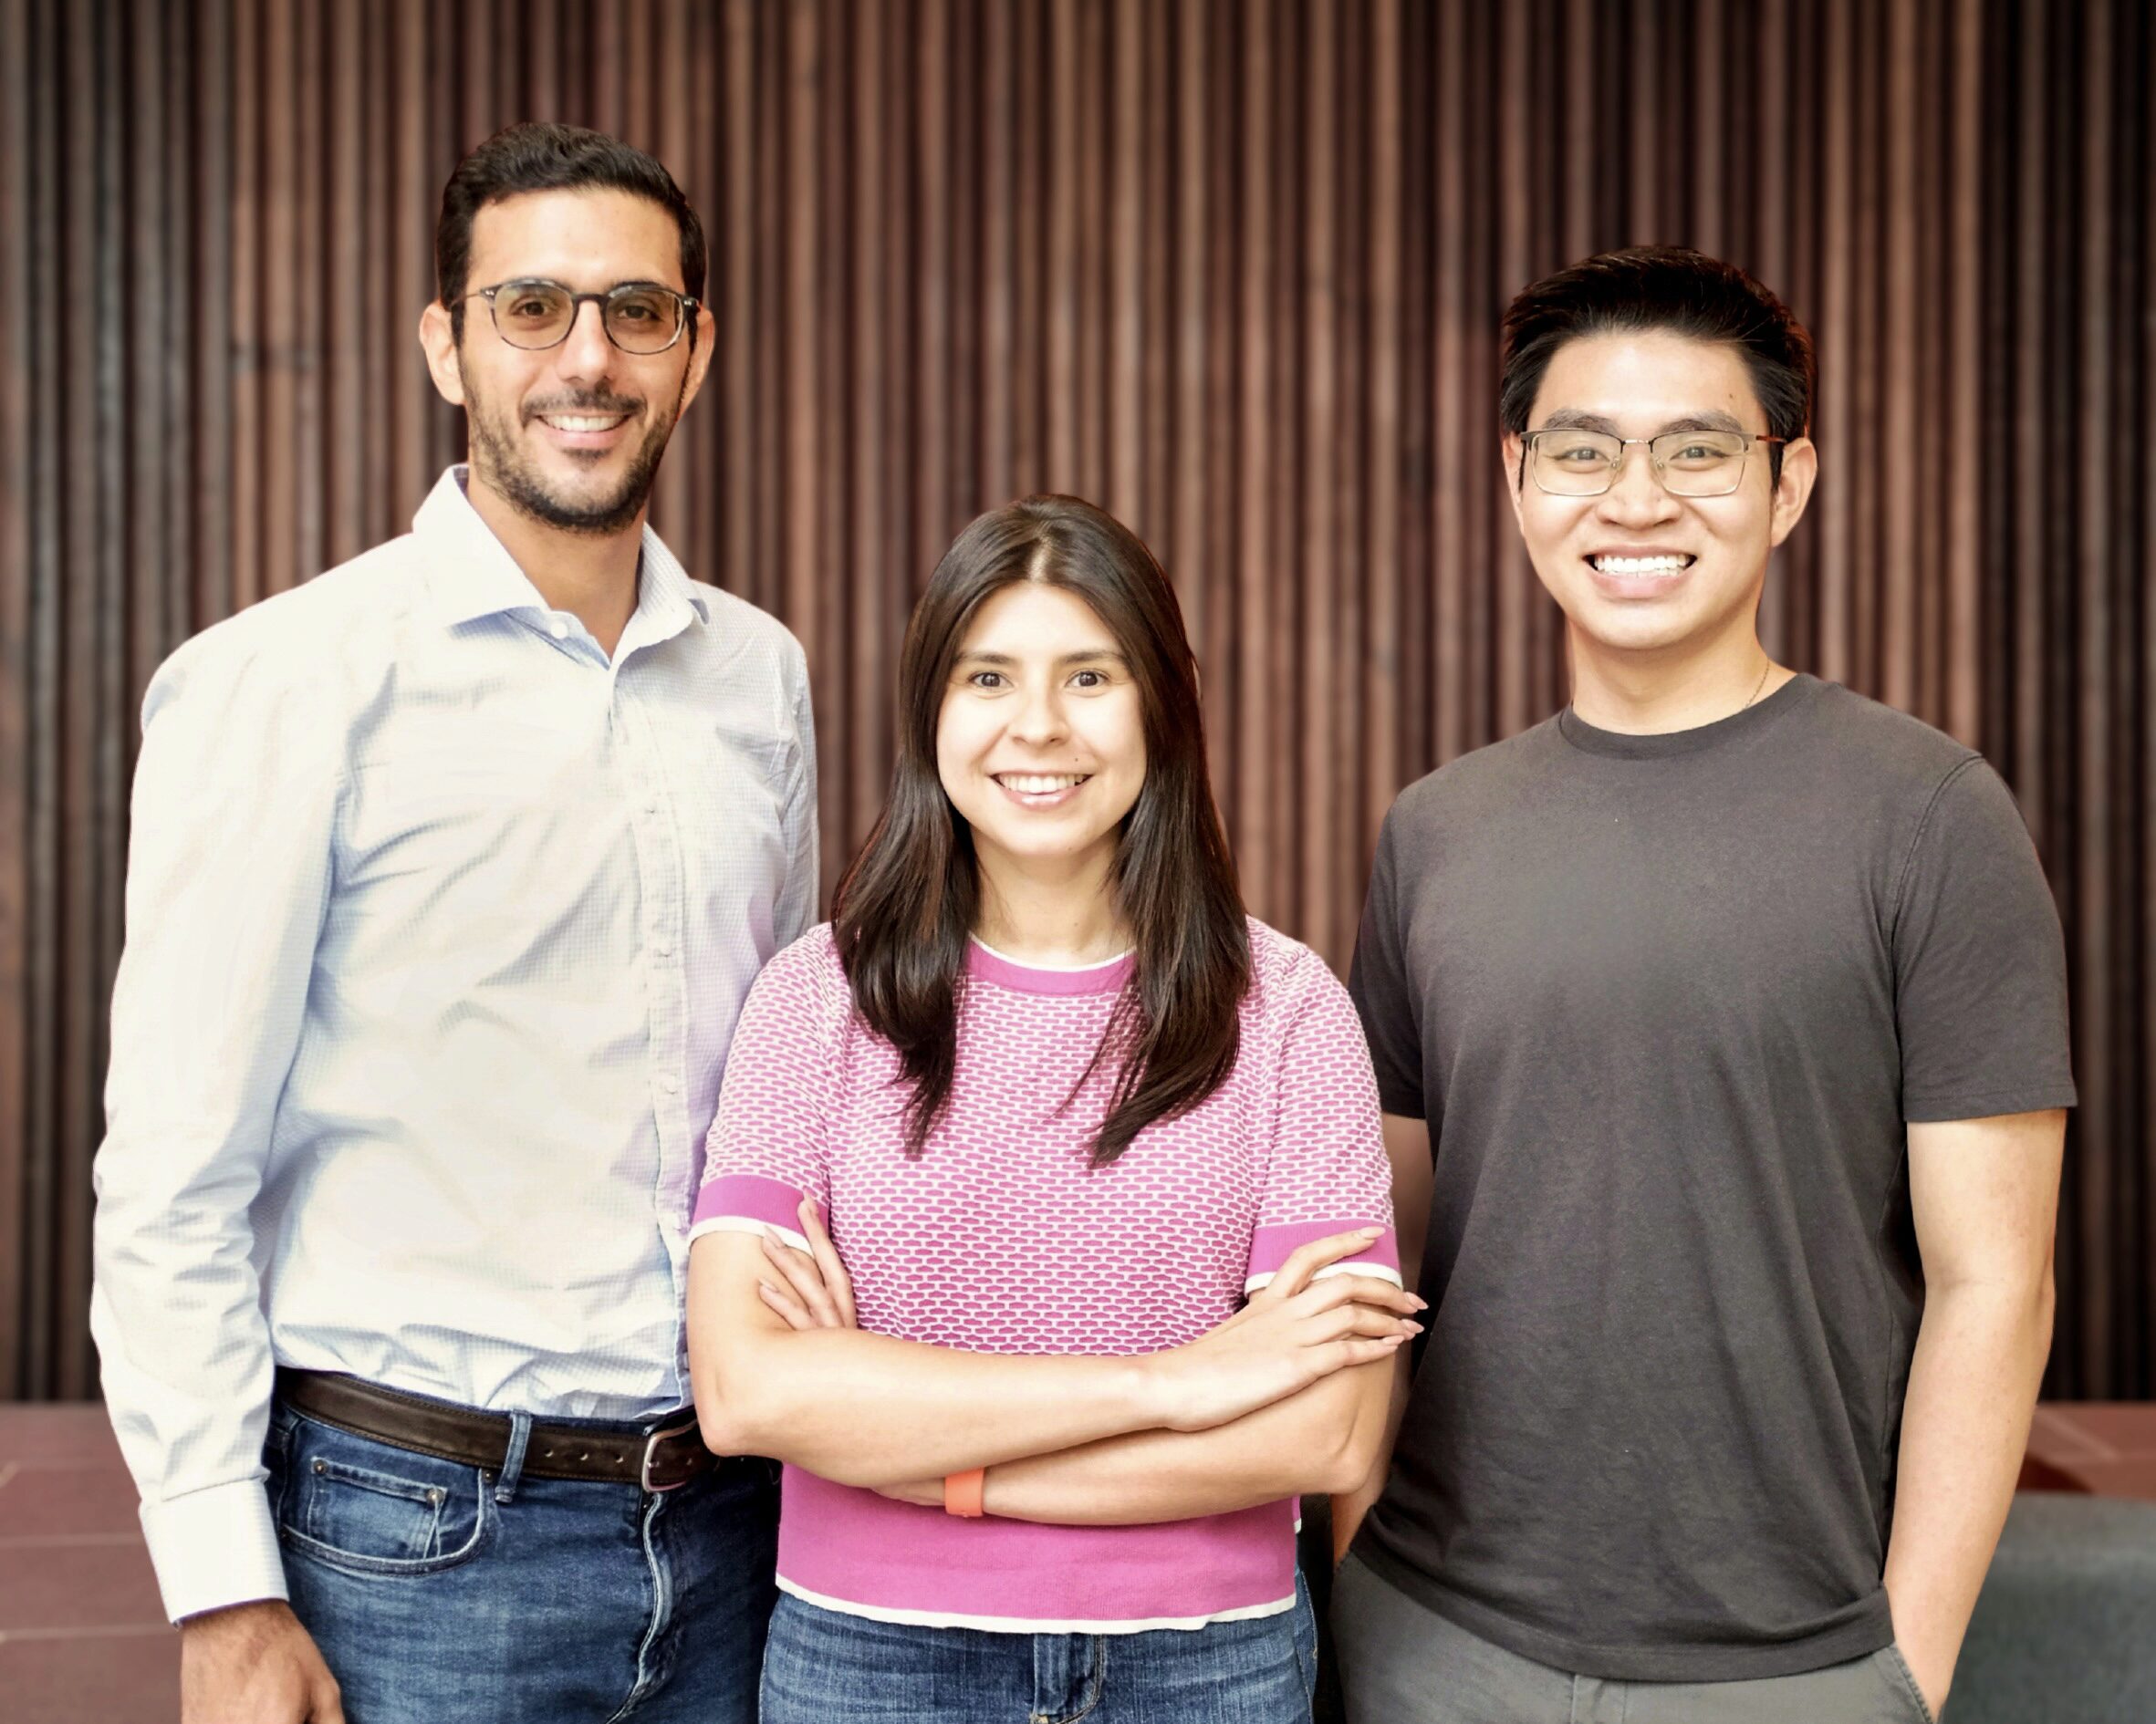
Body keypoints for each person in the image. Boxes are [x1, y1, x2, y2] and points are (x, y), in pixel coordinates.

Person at [90, 121, 817, 1724]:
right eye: (531, 307)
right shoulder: (285, 682)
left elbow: (790, 1086)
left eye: (638, 311)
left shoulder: (761, 678)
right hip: (406, 1542)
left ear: (697, 350)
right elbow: (172, 1171)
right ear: (447, 343)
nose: (588, 357)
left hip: (733, 1527)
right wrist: (222, 1593)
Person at [1331, 246, 2074, 1724]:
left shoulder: (1929, 814)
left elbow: (2000, 1285)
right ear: (1517, 476)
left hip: (1797, 1667)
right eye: (1583, 448)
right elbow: (1380, 1257)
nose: (1637, 498)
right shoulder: (1436, 829)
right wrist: (1352, 1569)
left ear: (1790, 483)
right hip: (1431, 1640)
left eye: (1698, 449)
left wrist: (1901, 1672)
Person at [682, 494, 1417, 1723]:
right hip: (876, 1661)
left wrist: (934, 1464)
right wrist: (1180, 1381)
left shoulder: (1285, 1008)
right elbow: (750, 1391)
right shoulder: (817, 996)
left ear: (1160, 708)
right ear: (933, 709)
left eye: (1090, 675)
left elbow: (1328, 1431)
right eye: (989, 675)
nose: (1038, 725)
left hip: (1206, 1665)